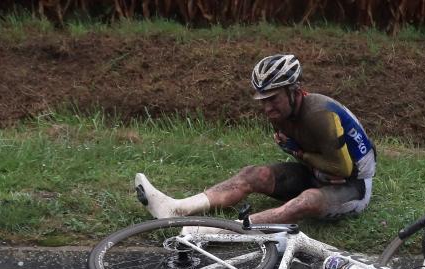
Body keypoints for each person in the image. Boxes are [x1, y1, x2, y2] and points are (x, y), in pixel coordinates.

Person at [135, 54, 376, 224]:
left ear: (293, 92)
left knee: (307, 201)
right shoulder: (282, 111)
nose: (267, 107)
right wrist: (299, 153)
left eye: (273, 99)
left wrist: (299, 154)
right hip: (317, 174)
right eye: (262, 100)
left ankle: (227, 229)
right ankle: (177, 208)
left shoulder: (320, 114)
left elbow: (341, 168)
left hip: (353, 186)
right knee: (254, 174)